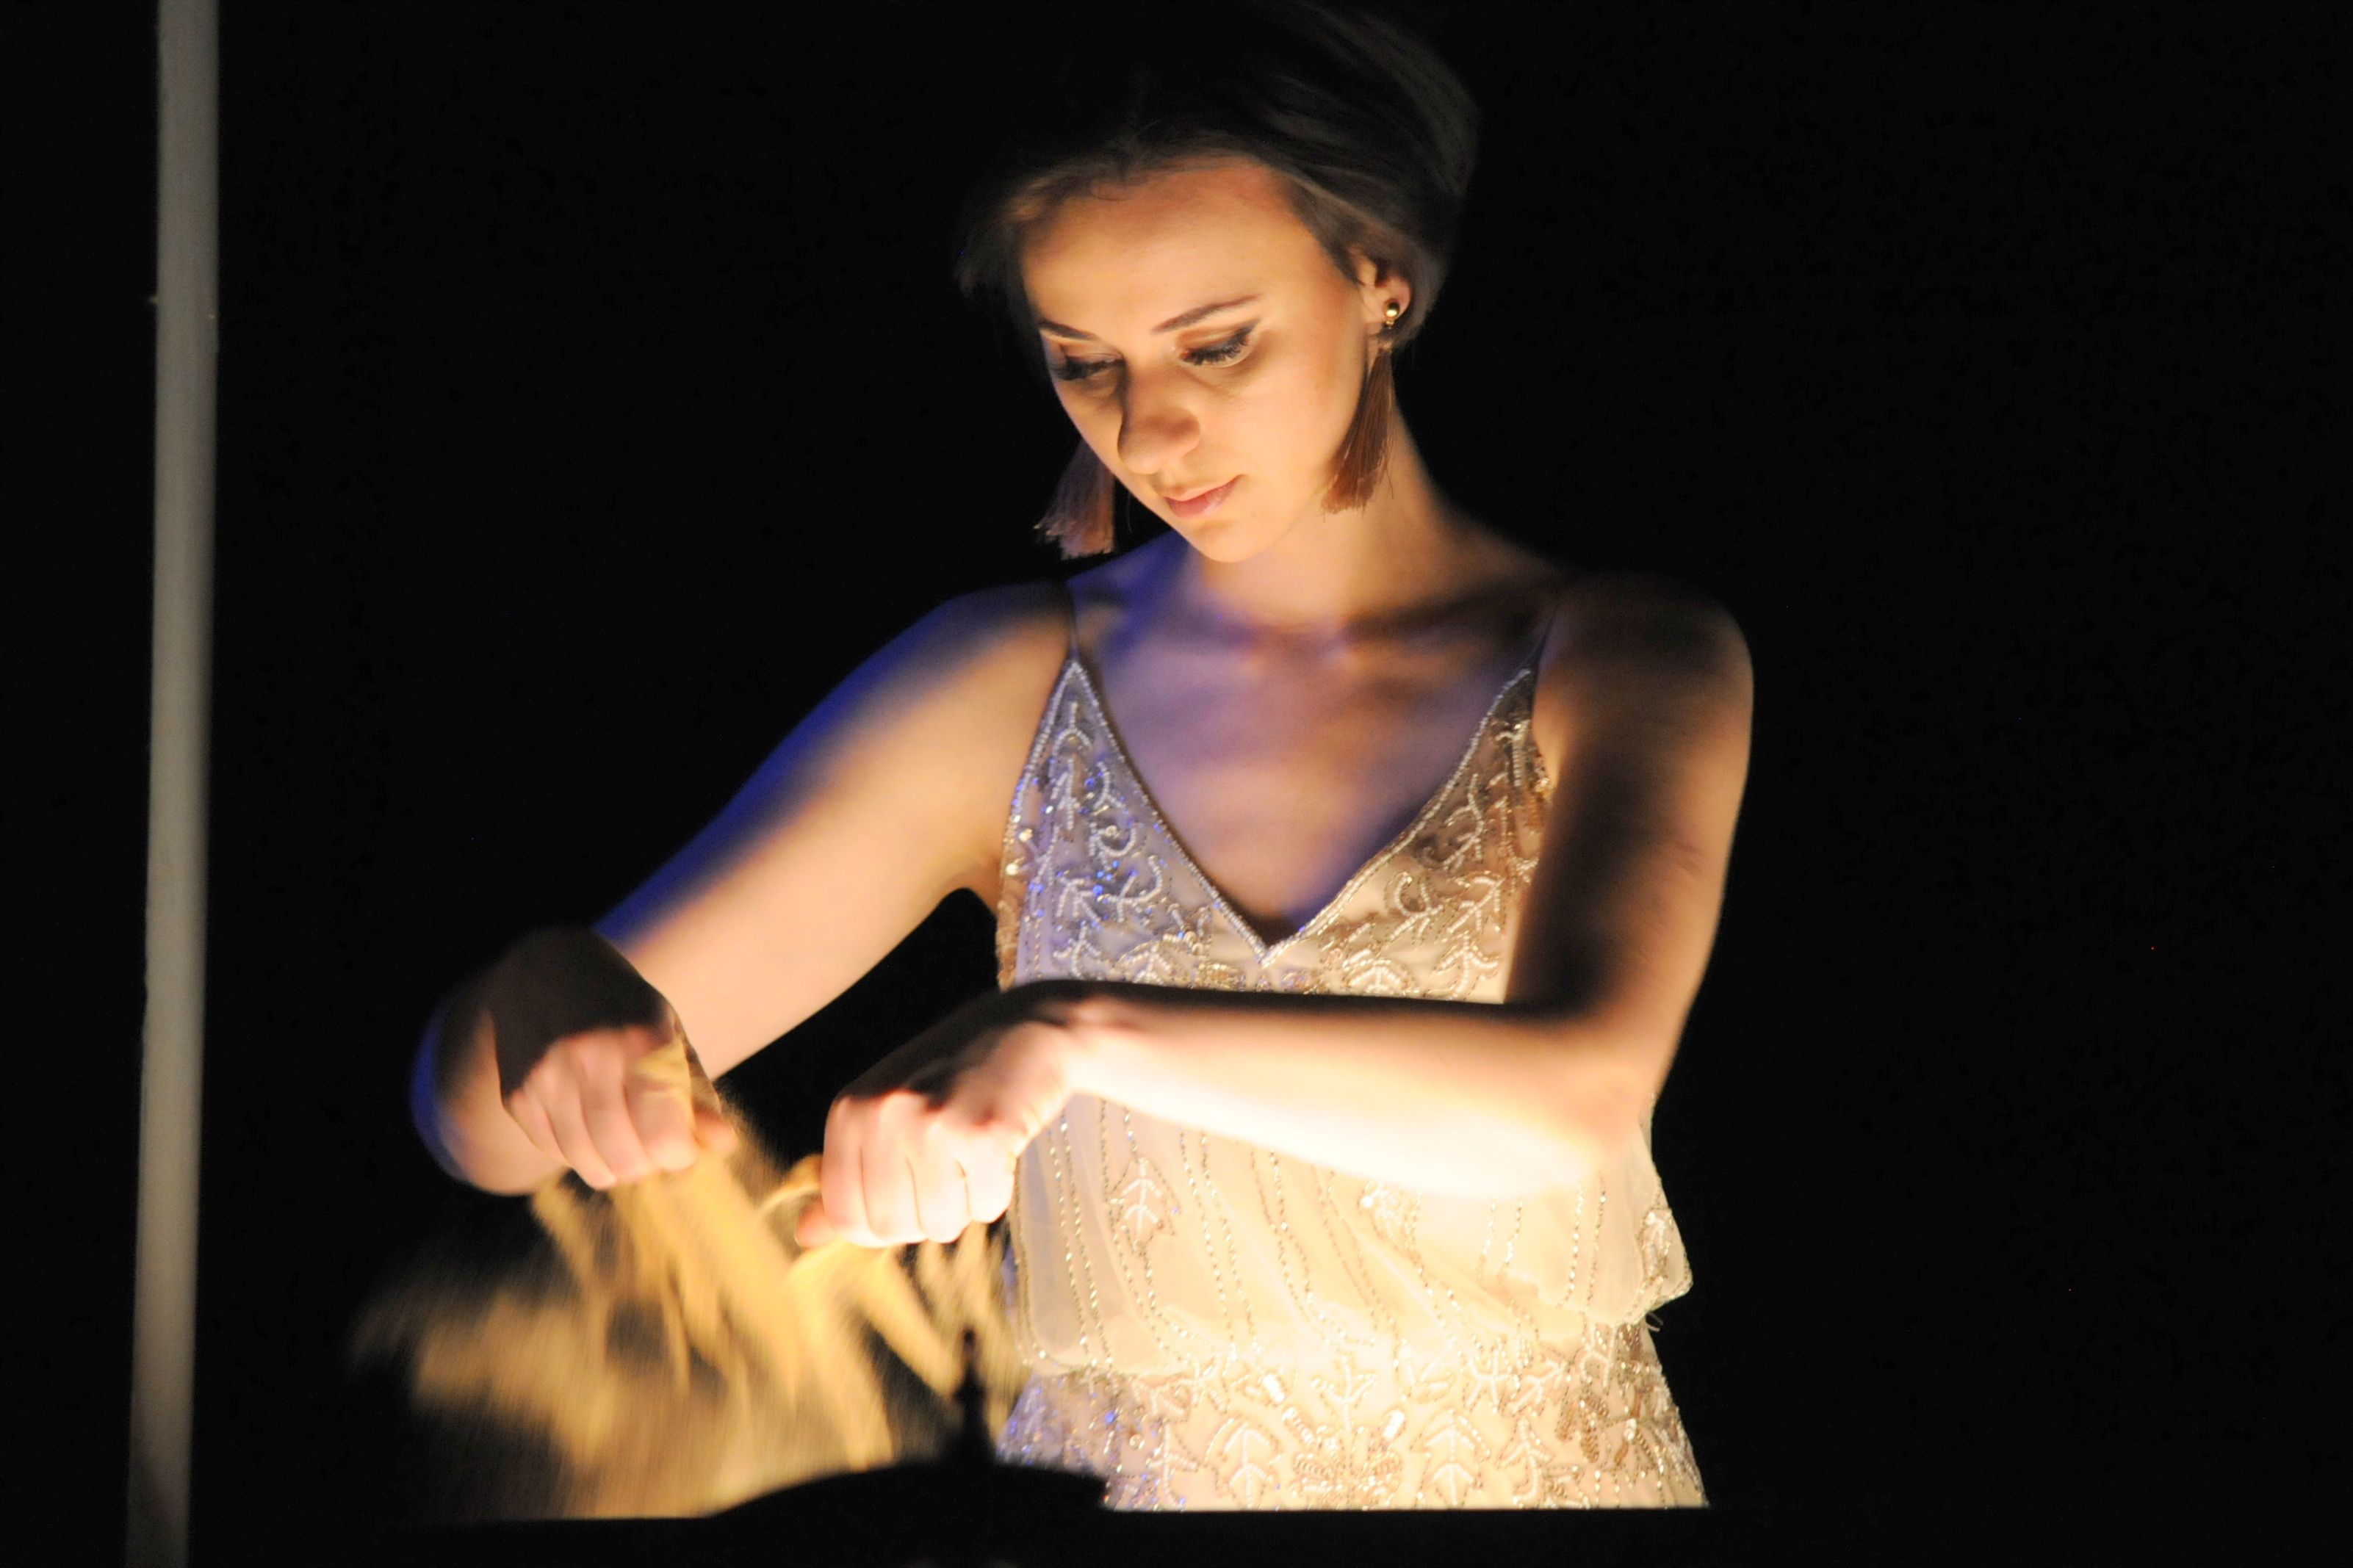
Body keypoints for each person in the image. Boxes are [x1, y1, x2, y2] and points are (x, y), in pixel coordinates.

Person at [411, 0, 1751, 1512]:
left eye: (1215, 344)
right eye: (1084, 362)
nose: (1153, 428)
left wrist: (1070, 1031)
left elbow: (1571, 1096)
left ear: (1378, 283)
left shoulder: (1618, 656)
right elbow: (484, 1132)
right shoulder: (1010, 685)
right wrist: (542, 994)